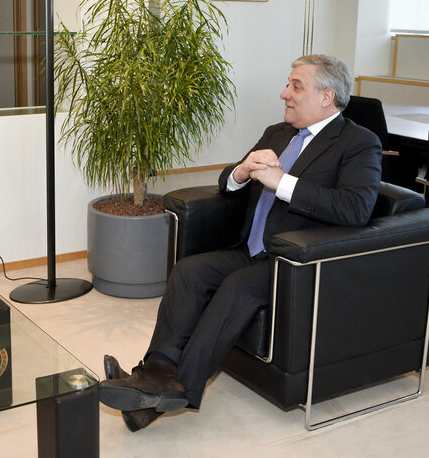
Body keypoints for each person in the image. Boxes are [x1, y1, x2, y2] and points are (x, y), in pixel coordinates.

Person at [98, 54, 383, 432]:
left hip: (294, 262)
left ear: (327, 96)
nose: (285, 93)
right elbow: (227, 184)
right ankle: (156, 372)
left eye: (296, 86)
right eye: (288, 84)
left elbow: (355, 209)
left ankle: (159, 396)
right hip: (248, 250)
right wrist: (241, 171)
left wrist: (281, 182)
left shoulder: (358, 143)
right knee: (189, 271)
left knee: (236, 288)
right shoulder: (277, 132)